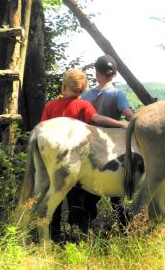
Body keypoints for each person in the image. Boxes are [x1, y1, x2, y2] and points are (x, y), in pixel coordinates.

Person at [42, 68, 128, 241]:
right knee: (78, 197)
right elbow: (96, 119)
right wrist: (120, 124)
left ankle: (55, 235)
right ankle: (80, 234)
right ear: (82, 90)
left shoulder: (50, 106)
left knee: (56, 196)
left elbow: (43, 129)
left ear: (64, 86)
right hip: (76, 161)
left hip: (53, 161)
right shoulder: (82, 105)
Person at [64, 55, 135, 237]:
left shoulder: (86, 96)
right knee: (117, 196)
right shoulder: (117, 94)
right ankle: (124, 231)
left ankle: (80, 231)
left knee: (85, 192)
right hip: (112, 151)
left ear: (97, 74)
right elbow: (129, 115)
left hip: (88, 150)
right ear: (114, 74)